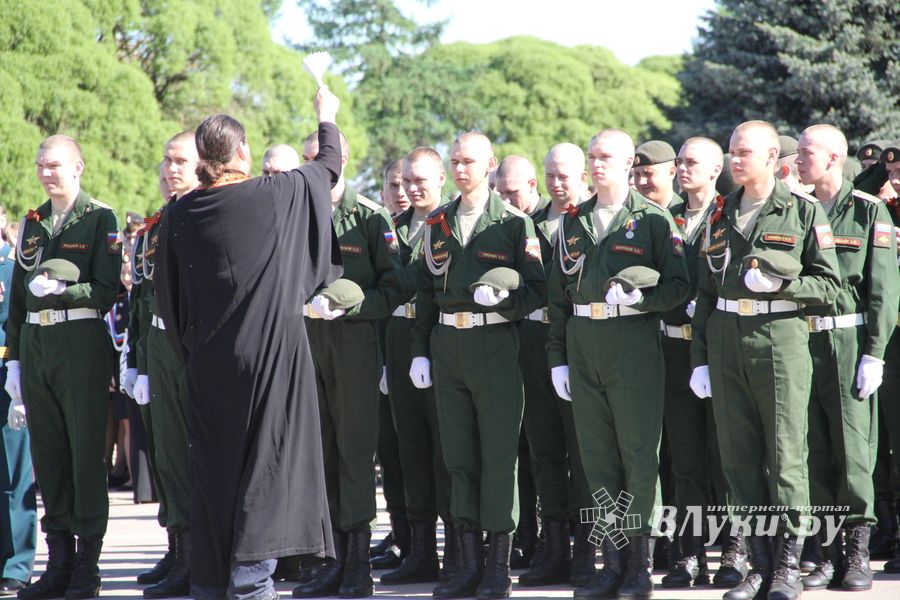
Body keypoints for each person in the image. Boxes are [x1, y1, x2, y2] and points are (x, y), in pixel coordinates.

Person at [154, 88, 342, 600]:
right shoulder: (275, 194)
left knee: (216, 476)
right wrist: (326, 116)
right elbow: (328, 165)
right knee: (267, 471)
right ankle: (252, 585)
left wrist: (190, 356)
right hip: (271, 363)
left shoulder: (177, 216)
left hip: (207, 366)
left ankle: (211, 583)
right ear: (241, 154)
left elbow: (168, 301)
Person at [690, 121, 842, 600]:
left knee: (784, 456)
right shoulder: (719, 215)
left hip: (779, 339)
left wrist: (783, 286)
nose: (736, 160)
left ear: (773, 156)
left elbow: (831, 286)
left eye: (745, 152)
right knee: (739, 459)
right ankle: (758, 563)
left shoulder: (800, 211)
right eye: (733, 152)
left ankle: (788, 567)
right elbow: (705, 292)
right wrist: (700, 358)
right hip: (726, 339)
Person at [547, 129, 690, 600]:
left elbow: (679, 286)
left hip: (632, 340)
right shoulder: (572, 221)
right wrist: (558, 359)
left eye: (606, 156)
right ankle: (612, 562)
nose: (596, 163)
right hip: (583, 340)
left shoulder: (652, 220)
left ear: (629, 162)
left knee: (637, 456)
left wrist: (641, 298)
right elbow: (556, 297)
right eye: (592, 156)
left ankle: (640, 567)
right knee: (597, 460)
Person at [410, 131, 545, 599]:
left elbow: (537, 289)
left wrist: (504, 305)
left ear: (489, 164)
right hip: (448, 345)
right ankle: (464, 564)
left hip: (493, 344)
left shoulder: (511, 224)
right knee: (459, 458)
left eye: (470, 161)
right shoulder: (438, 223)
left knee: (498, 458)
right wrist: (420, 351)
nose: (462, 169)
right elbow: (424, 293)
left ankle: (496, 566)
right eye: (456, 162)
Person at [6, 134, 122, 600]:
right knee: (49, 456)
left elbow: (107, 289)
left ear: (78, 167)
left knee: (84, 455)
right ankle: (59, 562)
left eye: (54, 164)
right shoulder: (32, 224)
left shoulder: (100, 219)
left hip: (80, 342)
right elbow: (18, 297)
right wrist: (14, 358)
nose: (46, 171)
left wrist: (62, 292)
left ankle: (86, 566)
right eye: (40, 164)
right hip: (37, 345)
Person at [292, 130, 405, 600]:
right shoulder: (296, 215)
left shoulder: (370, 218)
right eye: (307, 158)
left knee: (354, 453)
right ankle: (333, 559)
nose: (312, 166)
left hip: (355, 346)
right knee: (319, 455)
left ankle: (358, 562)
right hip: (307, 345)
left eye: (319, 158)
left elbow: (397, 287)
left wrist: (351, 308)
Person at [794, 124, 900, 592]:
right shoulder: (796, 210)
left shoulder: (867, 211)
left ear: (834, 158)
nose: (797, 160)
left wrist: (875, 353)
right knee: (811, 449)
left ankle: (857, 554)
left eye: (806, 153)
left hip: (848, 342)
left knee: (854, 451)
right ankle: (826, 554)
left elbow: (882, 290)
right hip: (801, 340)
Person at [659, 137, 739, 590]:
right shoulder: (663, 218)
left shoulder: (728, 216)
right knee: (685, 459)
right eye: (679, 162)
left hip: (717, 348)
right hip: (673, 349)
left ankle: (734, 549)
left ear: (714, 170)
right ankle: (690, 554)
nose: (682, 168)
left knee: (725, 454)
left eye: (692, 162)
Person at [516, 143, 595, 589]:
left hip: (579, 342)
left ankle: (586, 549)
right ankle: (555, 547)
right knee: (544, 450)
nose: (557, 183)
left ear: (582, 174)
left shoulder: (589, 221)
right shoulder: (530, 225)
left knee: (584, 453)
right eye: (550, 176)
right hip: (535, 345)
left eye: (564, 175)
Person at [378, 147, 452, 586]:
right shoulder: (394, 230)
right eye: (406, 181)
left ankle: (462, 547)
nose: (410, 188)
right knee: (410, 452)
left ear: (440, 177)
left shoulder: (449, 225)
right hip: (399, 343)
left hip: (441, 346)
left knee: (449, 451)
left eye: (420, 180)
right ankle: (420, 550)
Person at [132, 132, 200, 599]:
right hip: (158, 342)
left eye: (180, 161)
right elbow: (141, 299)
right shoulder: (156, 224)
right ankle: (177, 547)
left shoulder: (205, 215)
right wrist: (137, 362)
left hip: (191, 348)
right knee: (166, 453)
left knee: (191, 456)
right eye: (166, 161)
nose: (171, 169)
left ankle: (196, 556)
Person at [493, 154, 544, 568]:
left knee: (547, 449)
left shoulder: (541, 222)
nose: (507, 199)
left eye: (514, 191)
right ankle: (524, 535)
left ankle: (554, 539)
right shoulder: (501, 226)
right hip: (508, 346)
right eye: (501, 191)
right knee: (517, 448)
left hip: (543, 345)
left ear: (532, 186)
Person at [367, 159, 411, 573]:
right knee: (391, 455)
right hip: (383, 355)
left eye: (407, 184)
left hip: (416, 354)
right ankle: (401, 535)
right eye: (393, 185)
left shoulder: (431, 225)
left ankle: (420, 542)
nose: (401, 192)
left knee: (420, 454)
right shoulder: (381, 229)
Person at [1, 203, 36, 598]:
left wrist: (19, 375)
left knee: (13, 476)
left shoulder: (14, 266)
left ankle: (17, 563)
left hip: (4, 375)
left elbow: (19, 322)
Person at [871, 141, 900, 574]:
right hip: (892, 341)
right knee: (889, 440)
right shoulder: (883, 211)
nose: (894, 179)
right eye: (893, 172)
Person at [632, 140, 683, 210]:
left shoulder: (686, 213)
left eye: (648, 173)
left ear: (671, 173)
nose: (641, 182)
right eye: (637, 174)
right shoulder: (629, 213)